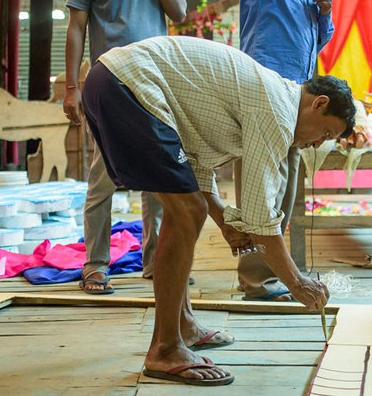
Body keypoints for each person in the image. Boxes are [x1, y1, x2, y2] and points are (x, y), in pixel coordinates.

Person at [82, 35, 354, 386]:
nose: (316, 143)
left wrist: (223, 217)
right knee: (187, 213)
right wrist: (296, 282)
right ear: (318, 104)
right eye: (325, 133)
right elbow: (260, 219)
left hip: (114, 81)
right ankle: (165, 349)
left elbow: (193, 166)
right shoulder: (277, 111)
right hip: (126, 84)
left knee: (188, 207)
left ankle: (183, 325)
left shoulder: (269, 95)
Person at [64, 0, 187, 294]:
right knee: (103, 177)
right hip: (109, 83)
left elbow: (180, 13)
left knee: (158, 178)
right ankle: (96, 265)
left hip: (156, 85)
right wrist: (71, 87)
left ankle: (155, 262)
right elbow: (76, 29)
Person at [234, 0, 335, 301]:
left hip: (298, 94)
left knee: (287, 185)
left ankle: (278, 270)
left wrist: (325, 12)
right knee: (261, 182)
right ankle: (257, 279)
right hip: (265, 85)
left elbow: (319, 40)